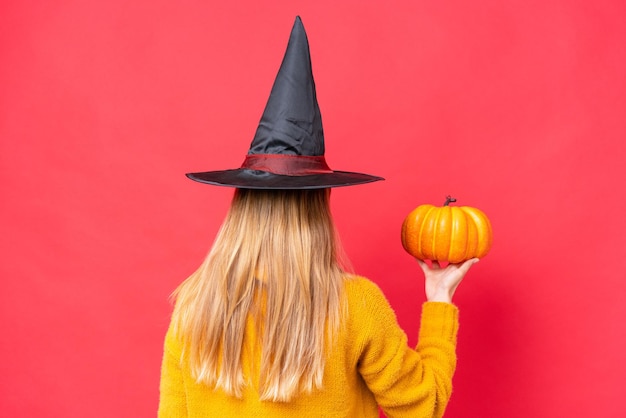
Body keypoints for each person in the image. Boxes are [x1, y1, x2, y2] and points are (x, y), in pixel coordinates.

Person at [158, 17, 477, 418]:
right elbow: (423, 406)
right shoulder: (356, 306)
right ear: (320, 205)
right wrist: (439, 301)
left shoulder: (193, 304)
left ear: (241, 202)